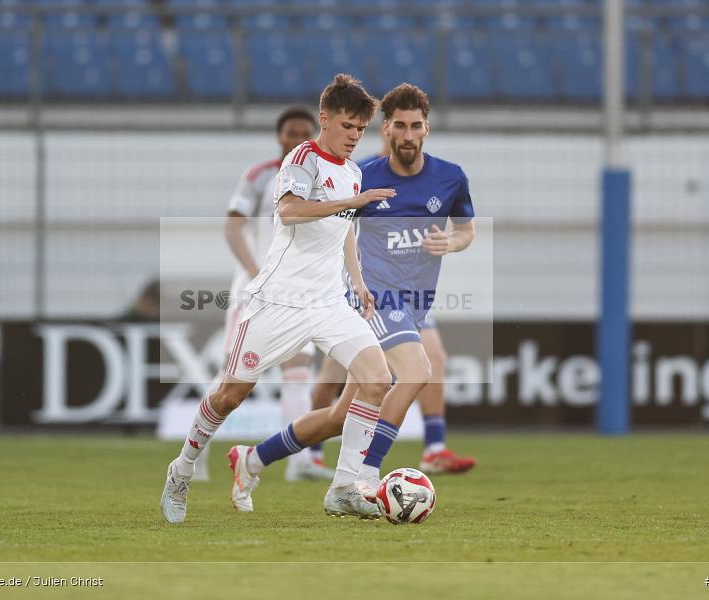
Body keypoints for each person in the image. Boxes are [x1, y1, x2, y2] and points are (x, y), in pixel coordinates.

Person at [227, 82, 476, 512]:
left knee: (342, 416)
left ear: (427, 128)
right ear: (386, 129)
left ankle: (252, 459)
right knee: (417, 370)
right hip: (373, 297)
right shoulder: (360, 174)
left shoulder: (450, 177)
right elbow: (322, 224)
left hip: (415, 303)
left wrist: (451, 243)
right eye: (399, 125)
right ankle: (364, 478)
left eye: (416, 125)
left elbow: (467, 230)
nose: (408, 134)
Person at [161, 74, 395, 523]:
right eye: (348, 126)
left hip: (328, 303)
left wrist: (358, 282)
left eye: (361, 130)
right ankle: (183, 467)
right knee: (230, 395)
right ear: (324, 119)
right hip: (279, 301)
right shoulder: (301, 159)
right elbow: (289, 210)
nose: (354, 137)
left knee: (377, 379)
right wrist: (356, 200)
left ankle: (344, 486)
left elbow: (344, 228)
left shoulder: (353, 171)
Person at [195, 106, 333, 482]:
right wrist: (257, 274)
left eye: (305, 133)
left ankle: (299, 462)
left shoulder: (323, 177)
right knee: (232, 375)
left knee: (298, 371)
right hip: (254, 289)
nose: (297, 139)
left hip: (297, 292)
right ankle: (196, 450)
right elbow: (233, 228)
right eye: (291, 132)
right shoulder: (260, 176)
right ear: (279, 137)